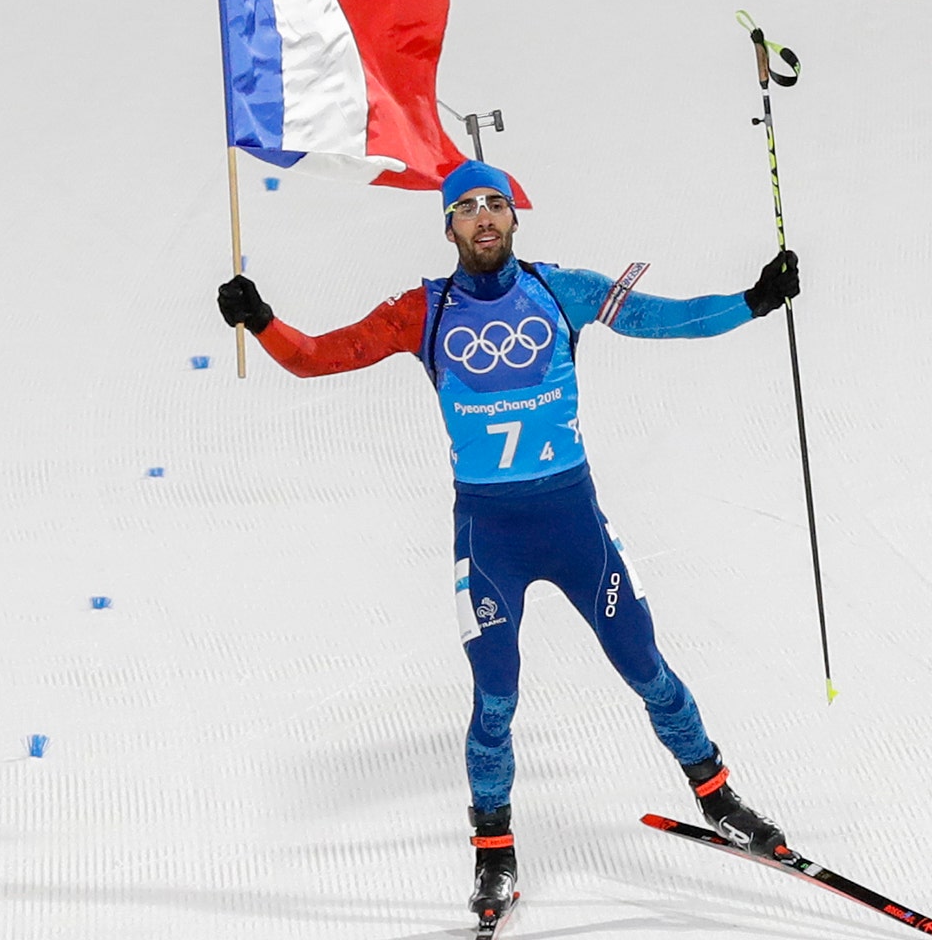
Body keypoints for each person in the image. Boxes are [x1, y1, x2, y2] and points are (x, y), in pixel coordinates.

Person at [217, 160, 802, 926]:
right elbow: (319, 358)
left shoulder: (562, 291)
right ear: (448, 227)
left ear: (516, 219)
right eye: (466, 208)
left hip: (574, 526)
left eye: (496, 204)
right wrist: (261, 320)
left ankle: (717, 797)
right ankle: (494, 850)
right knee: (495, 698)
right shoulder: (420, 312)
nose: (484, 217)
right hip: (490, 535)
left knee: (648, 670)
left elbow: (669, 318)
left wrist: (755, 301)